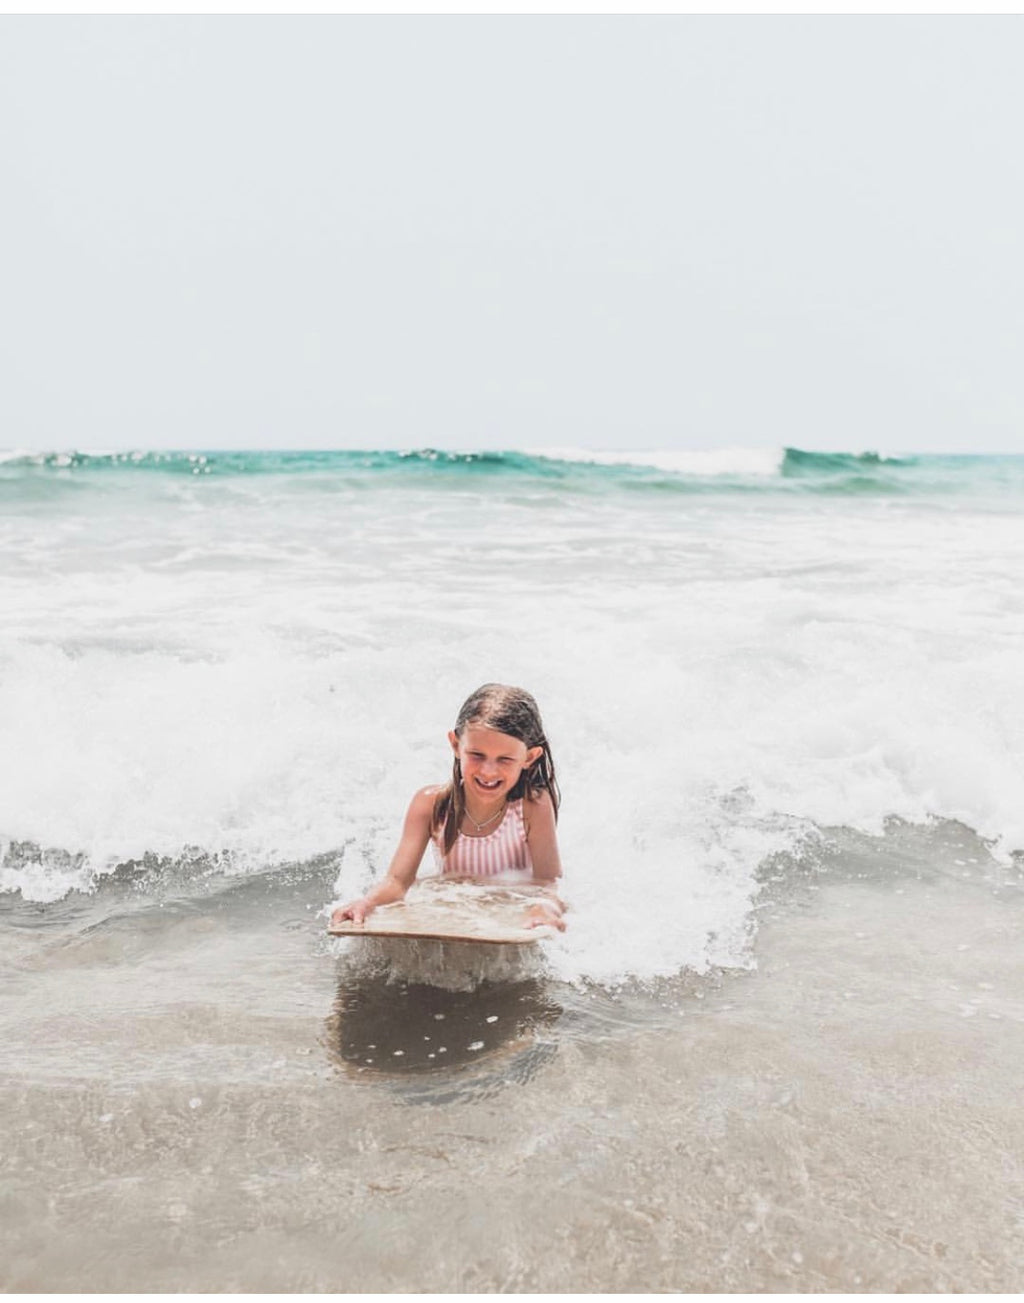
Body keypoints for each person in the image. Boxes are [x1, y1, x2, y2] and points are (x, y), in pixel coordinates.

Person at [331, 684, 566, 931]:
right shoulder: (430, 805)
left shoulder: (532, 806)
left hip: (509, 908)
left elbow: (548, 882)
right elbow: (397, 882)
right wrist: (367, 904)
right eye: (476, 755)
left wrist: (544, 909)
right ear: (455, 745)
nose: (488, 771)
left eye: (504, 760)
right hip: (454, 907)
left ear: (529, 758)